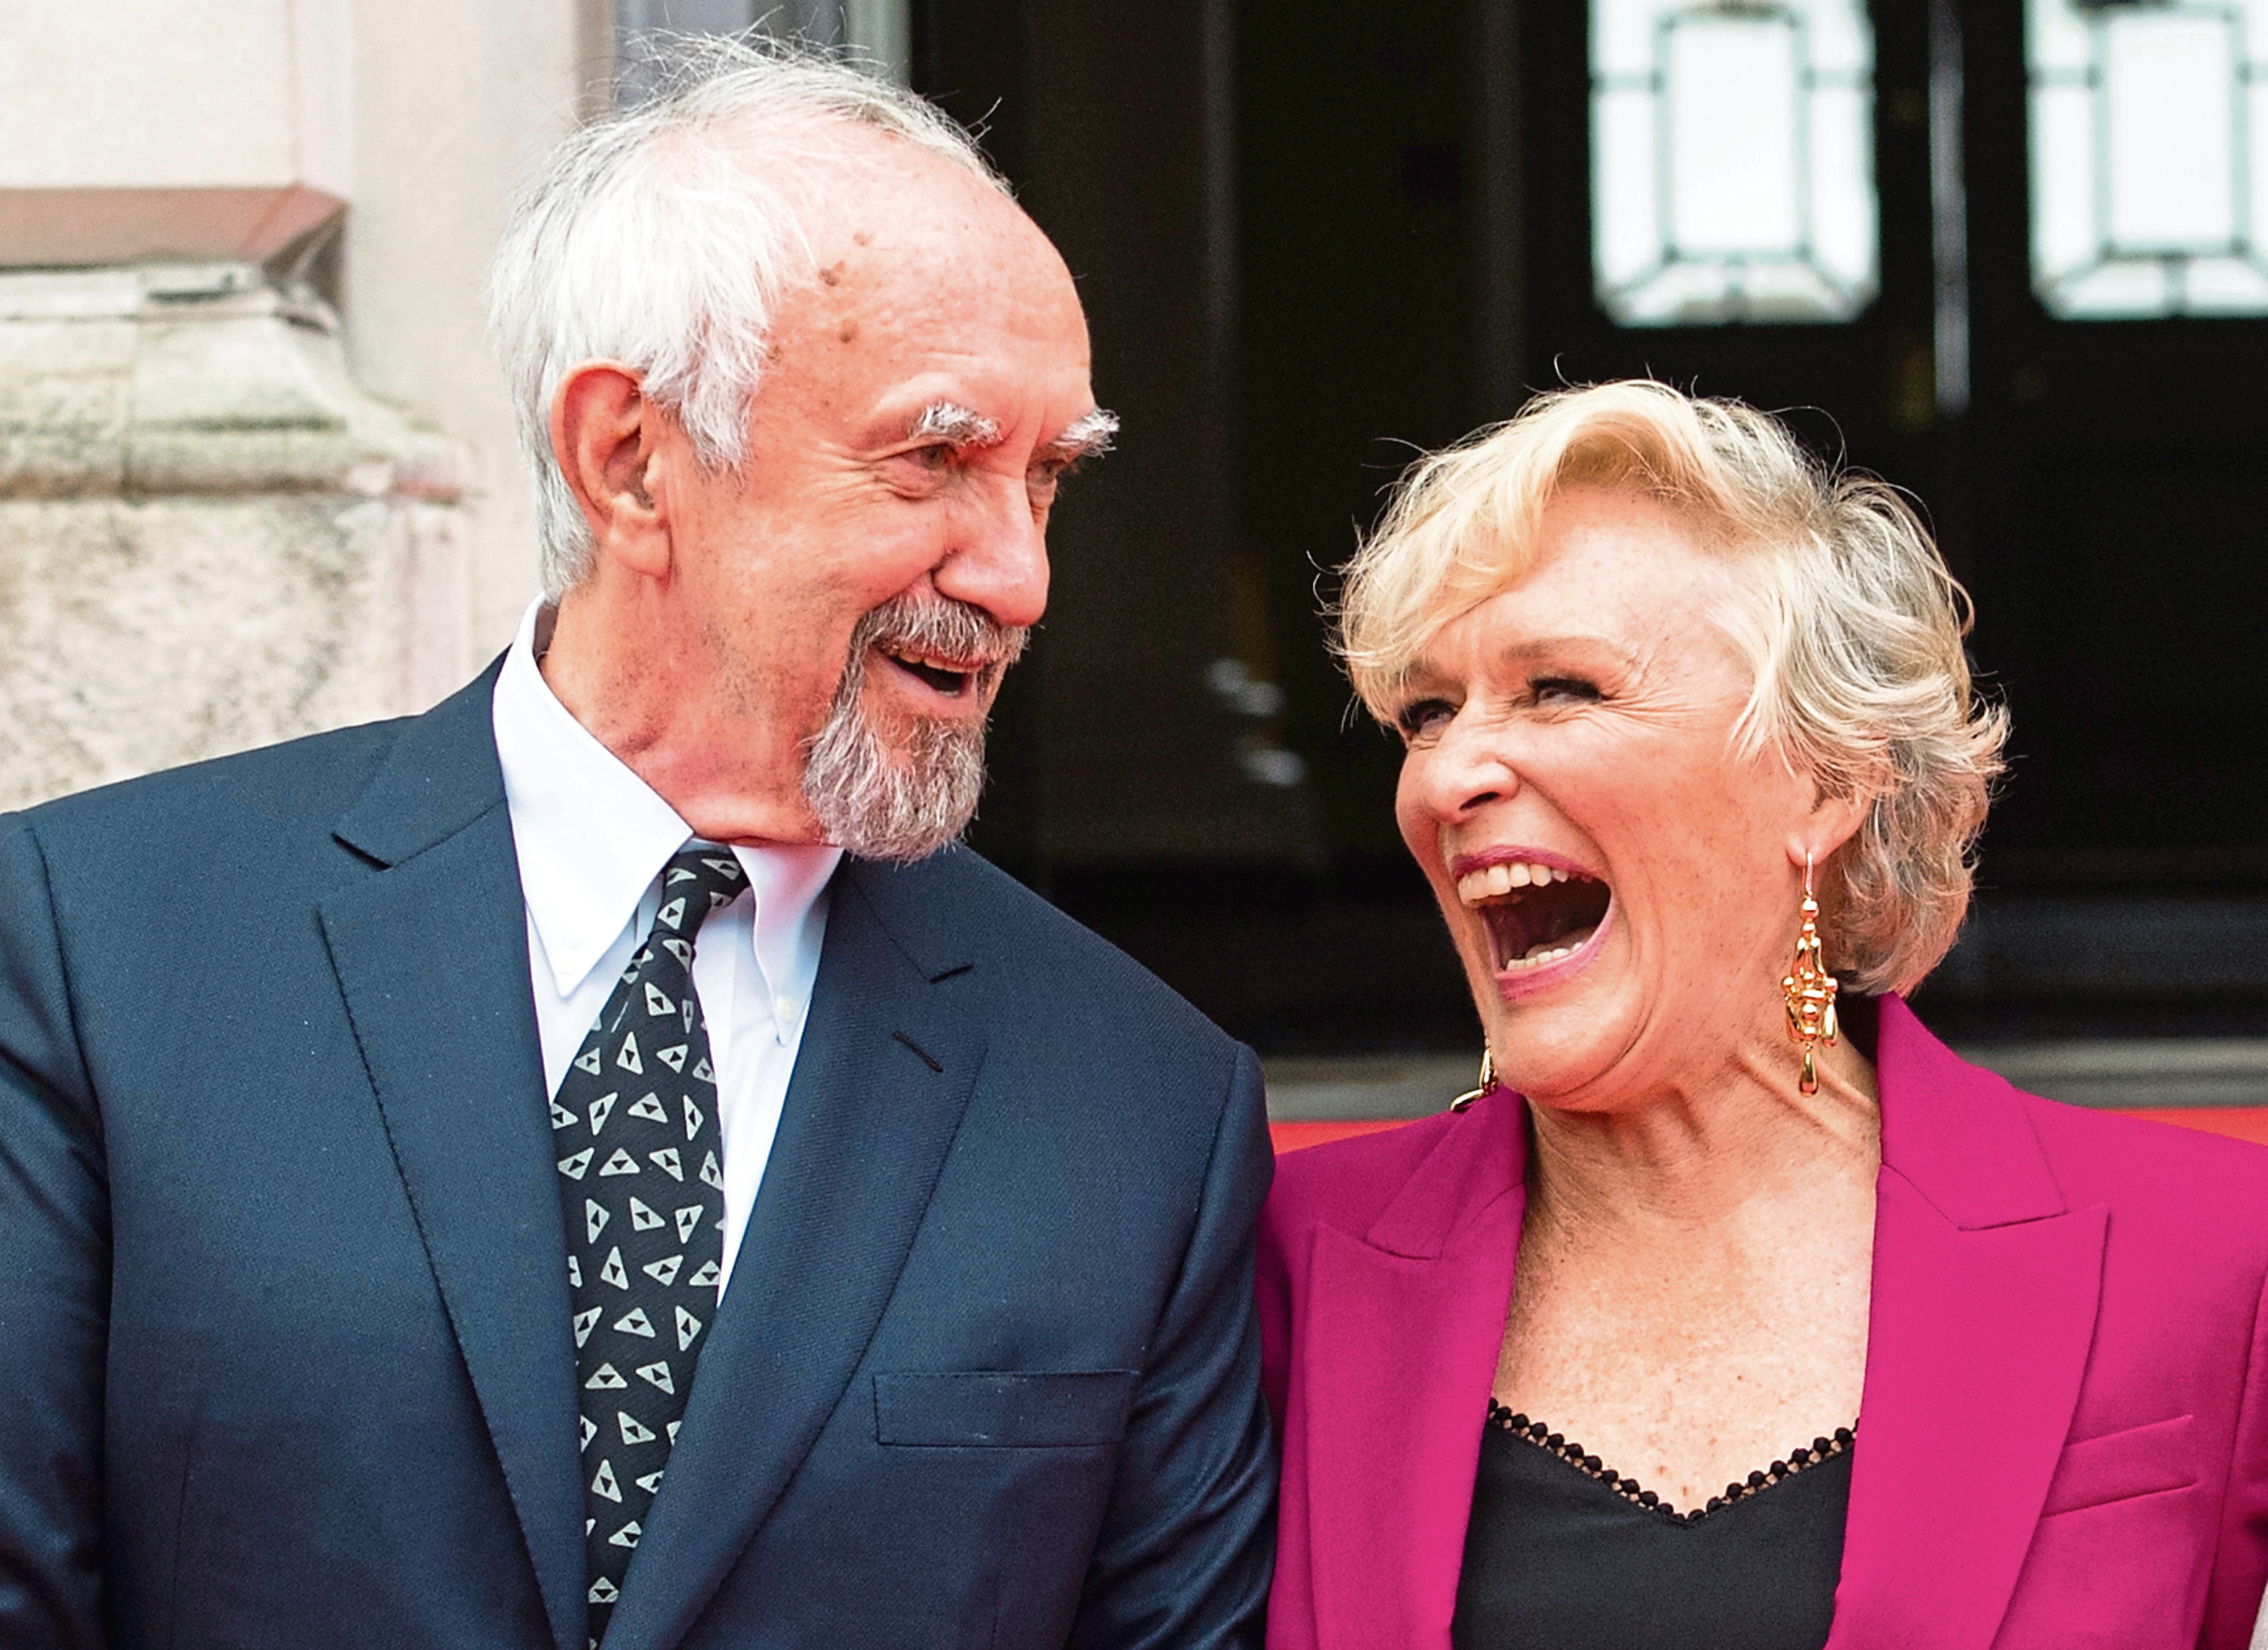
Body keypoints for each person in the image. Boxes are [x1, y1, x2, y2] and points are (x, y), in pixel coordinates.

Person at [0, 41, 1274, 1650]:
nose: (1018, 575)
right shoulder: (96, 950)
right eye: (937, 458)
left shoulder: (1144, 1109)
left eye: (1045, 481)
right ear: (630, 461)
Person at [1256, 380, 2268, 1649]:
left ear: (1828, 779)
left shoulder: (2211, 1257)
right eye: (1428, 713)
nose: (1451, 776)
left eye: (1560, 688)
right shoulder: (1282, 1266)